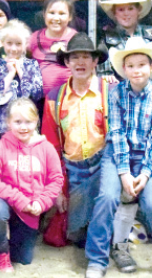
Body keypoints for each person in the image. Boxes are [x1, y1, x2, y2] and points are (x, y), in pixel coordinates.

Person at [85, 36, 152, 278]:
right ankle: (97, 259)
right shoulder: (116, 93)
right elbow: (116, 133)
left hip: (145, 158)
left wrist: (146, 172)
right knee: (107, 198)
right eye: (131, 65)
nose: (136, 70)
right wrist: (124, 172)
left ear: (151, 67)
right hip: (116, 154)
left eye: (142, 64)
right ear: (124, 69)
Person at [41, 33, 115, 248]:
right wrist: (60, 189)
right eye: (74, 57)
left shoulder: (110, 91)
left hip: (104, 165)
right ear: (66, 62)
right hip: (74, 169)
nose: (80, 62)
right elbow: (52, 147)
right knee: (73, 235)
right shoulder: (55, 98)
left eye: (86, 57)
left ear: (95, 62)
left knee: (105, 220)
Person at [0, 98, 64, 272]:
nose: (23, 127)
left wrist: (41, 203)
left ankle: (2, 240)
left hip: (30, 211)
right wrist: (19, 199)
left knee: (23, 259)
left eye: (28, 122)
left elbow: (56, 179)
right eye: (17, 122)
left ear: (36, 121)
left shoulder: (46, 148)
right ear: (8, 122)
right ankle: (1, 254)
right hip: (5, 205)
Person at [0, 20, 43, 144]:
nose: (13, 48)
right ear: (3, 43)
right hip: (0, 127)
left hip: (25, 126)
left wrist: (22, 73)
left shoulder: (31, 64)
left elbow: (36, 94)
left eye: (18, 44)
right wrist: (10, 74)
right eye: (9, 43)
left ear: (25, 45)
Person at [97, 0, 152, 83]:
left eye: (130, 9)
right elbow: (102, 74)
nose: (126, 13)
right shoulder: (107, 40)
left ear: (138, 10)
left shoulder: (151, 34)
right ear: (115, 13)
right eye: (121, 9)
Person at [28, 0, 78, 95]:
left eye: (61, 14)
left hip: (69, 98)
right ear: (44, 14)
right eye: (51, 13)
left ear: (70, 17)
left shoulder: (76, 39)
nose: (56, 18)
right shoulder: (34, 38)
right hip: (40, 100)